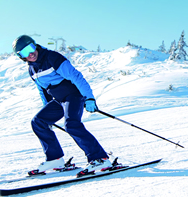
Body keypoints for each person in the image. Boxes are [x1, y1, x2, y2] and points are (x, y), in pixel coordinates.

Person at [13, 35, 114, 176]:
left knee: (71, 124)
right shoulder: (32, 70)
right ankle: (55, 159)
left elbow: (76, 76)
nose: (30, 54)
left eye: (30, 48)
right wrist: (47, 110)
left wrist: (89, 98)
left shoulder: (52, 57)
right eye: (24, 53)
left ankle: (100, 158)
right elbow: (43, 90)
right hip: (59, 99)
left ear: (35, 45)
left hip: (73, 95)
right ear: (21, 57)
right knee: (38, 122)